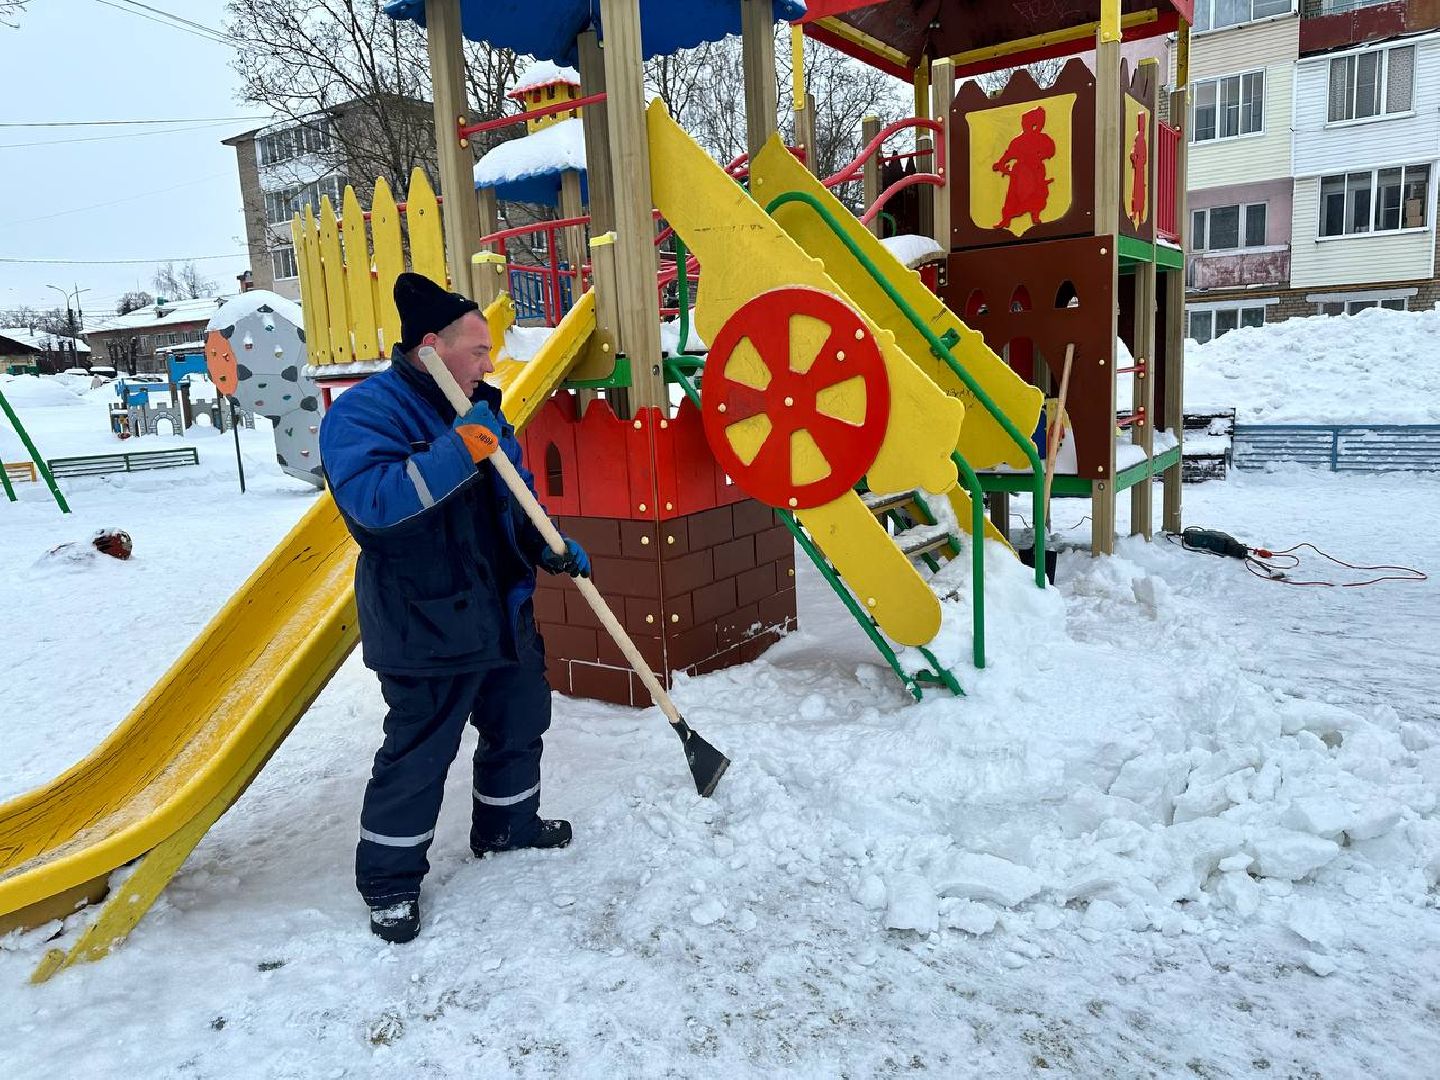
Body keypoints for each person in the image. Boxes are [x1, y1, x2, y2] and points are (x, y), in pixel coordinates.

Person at [318, 272, 591, 944]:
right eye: (478, 351)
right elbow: (375, 507)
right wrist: (458, 448)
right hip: (425, 620)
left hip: (501, 607)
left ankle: (507, 826)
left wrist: (546, 542)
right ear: (432, 347)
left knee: (520, 721)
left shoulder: (484, 410)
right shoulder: (364, 414)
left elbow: (514, 492)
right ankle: (388, 883)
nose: (490, 364)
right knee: (418, 755)